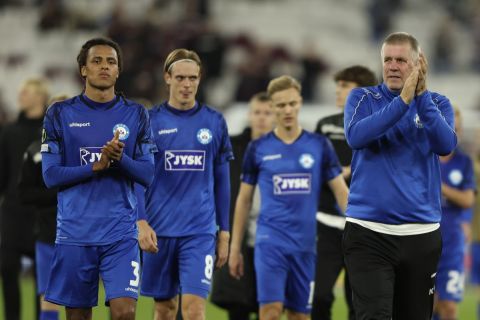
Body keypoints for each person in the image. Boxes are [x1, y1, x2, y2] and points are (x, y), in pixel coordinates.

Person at [342, 32, 457, 320]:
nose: (393, 66)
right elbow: (355, 136)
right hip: (368, 233)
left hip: (421, 234)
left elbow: (445, 145)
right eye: (388, 60)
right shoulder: (362, 98)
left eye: (401, 60)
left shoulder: (438, 104)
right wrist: (403, 101)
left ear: (418, 64)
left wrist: (420, 97)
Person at [41, 37, 156, 320]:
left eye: (111, 62)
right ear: (83, 70)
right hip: (75, 234)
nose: (104, 66)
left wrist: (119, 160)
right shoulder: (59, 113)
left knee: (124, 313)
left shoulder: (136, 114)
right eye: (97, 61)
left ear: (118, 71)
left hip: (120, 233)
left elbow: (148, 174)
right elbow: (50, 175)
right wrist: (96, 165)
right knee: (78, 316)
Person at [229, 75, 349, 320]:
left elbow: (341, 192)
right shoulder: (258, 148)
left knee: (299, 316)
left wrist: (365, 227)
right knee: (270, 312)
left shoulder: (319, 145)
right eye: (281, 105)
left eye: (292, 104)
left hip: (305, 245)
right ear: (272, 107)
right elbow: (244, 200)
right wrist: (235, 248)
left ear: (300, 103)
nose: (287, 110)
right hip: (270, 243)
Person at [137, 48, 234, 320]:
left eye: (192, 78)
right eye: (180, 78)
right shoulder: (150, 121)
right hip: (160, 231)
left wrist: (224, 232)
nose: (187, 85)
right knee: (165, 309)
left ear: (200, 79)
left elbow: (222, 179)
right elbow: (137, 178)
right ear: (167, 78)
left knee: (193, 309)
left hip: (199, 232)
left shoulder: (214, 122)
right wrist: (141, 221)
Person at [312, 65, 377, 320]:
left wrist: (352, 169)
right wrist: (329, 172)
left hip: (364, 226)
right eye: (338, 86)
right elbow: (311, 165)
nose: (338, 91)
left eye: (345, 86)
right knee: (318, 296)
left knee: (359, 301)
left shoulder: (378, 127)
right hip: (326, 223)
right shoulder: (326, 126)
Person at [210, 92, 274, 320]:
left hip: (272, 235)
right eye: (257, 112)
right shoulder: (231, 148)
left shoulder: (286, 149)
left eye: (268, 113)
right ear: (249, 114)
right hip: (236, 233)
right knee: (237, 302)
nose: (262, 118)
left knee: (269, 305)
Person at [0, 77, 50, 320]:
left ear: (41, 97)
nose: (21, 95)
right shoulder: (8, 132)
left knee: (43, 278)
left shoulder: (50, 132)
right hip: (12, 212)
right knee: (7, 267)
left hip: (41, 214)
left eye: (27, 91)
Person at [17, 94, 69, 320]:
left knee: (81, 299)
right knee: (48, 296)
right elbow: (24, 193)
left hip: (82, 234)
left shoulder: (85, 150)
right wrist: (59, 193)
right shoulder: (35, 151)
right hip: (48, 234)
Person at [433, 106, 476, 320]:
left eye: (457, 128)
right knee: (425, 306)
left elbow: (468, 200)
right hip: (424, 241)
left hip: (452, 244)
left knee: (449, 307)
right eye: (450, 127)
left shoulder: (464, 161)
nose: (453, 132)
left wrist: (440, 186)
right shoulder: (425, 157)